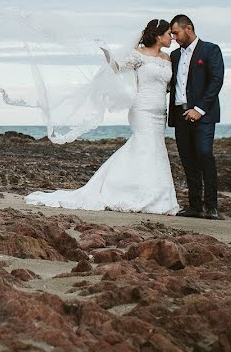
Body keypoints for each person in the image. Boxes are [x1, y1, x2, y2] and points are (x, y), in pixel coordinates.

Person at [25, 19, 180, 215]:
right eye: (168, 34)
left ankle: (157, 195)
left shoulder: (167, 58)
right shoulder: (138, 55)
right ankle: (134, 192)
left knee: (155, 149)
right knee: (145, 146)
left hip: (160, 112)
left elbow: (167, 85)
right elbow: (116, 68)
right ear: (158, 36)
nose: (171, 38)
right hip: (141, 109)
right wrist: (107, 51)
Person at [167, 14, 225, 219]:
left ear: (188, 28)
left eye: (176, 32)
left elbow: (216, 81)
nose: (173, 37)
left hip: (203, 116)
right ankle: (194, 206)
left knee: (204, 155)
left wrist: (199, 109)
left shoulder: (210, 50)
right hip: (179, 114)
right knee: (188, 160)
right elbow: (171, 84)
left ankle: (211, 207)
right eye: (171, 34)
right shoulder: (174, 56)